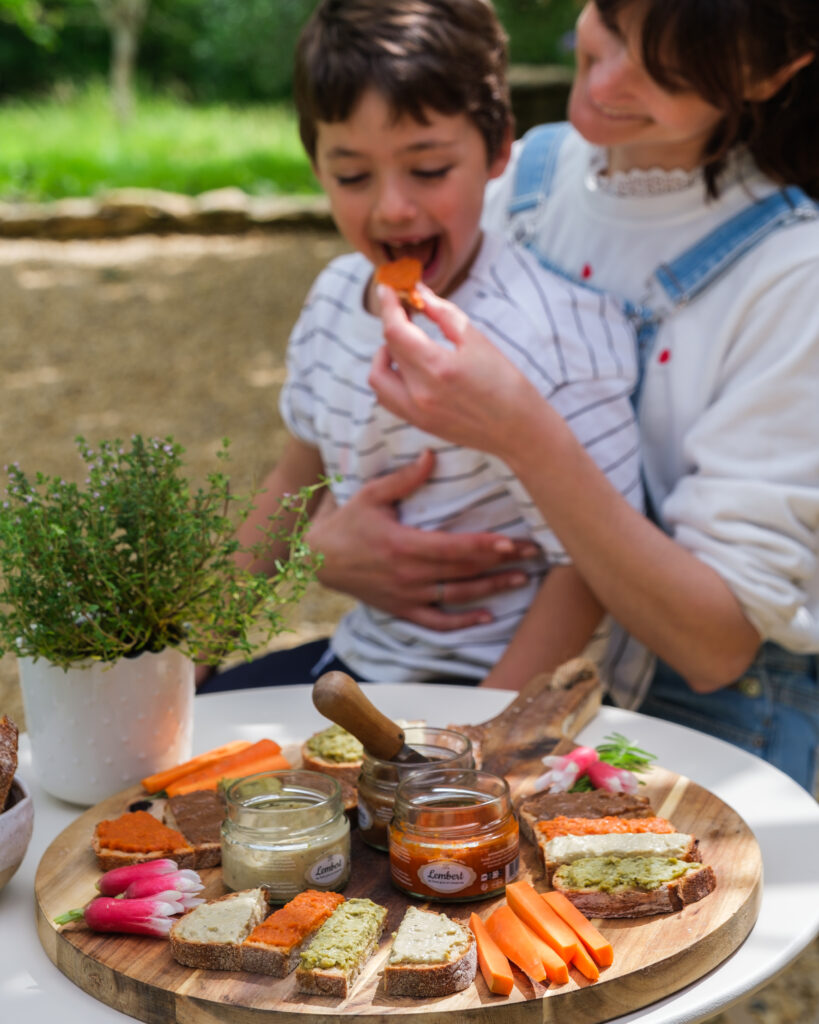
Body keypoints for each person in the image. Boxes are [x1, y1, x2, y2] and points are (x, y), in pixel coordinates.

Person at [356, 0, 819, 790]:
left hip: (702, 715)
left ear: (771, 72)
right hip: (486, 671)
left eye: (665, 68)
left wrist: (525, 437)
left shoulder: (793, 272)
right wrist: (337, 547)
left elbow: (714, 648)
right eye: (609, 19)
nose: (604, 77)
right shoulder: (521, 179)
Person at [198, 0, 643, 695]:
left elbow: (587, 574)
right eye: (352, 175)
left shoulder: (551, 333)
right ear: (315, 163)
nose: (392, 208)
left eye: (428, 168)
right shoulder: (333, 296)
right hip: (364, 665)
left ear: (497, 152)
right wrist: (184, 666)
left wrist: (478, 750)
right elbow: (291, 484)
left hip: (504, 696)